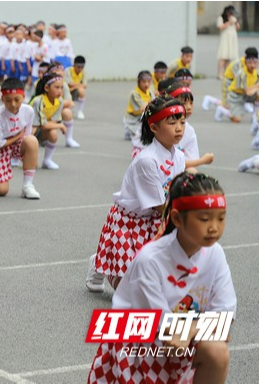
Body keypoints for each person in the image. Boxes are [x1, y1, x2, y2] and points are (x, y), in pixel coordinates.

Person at [88, 172, 236, 384]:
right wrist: (202, 326)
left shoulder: (216, 253)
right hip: (137, 345)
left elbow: (225, 318)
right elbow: (162, 327)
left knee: (217, 351)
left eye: (221, 218)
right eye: (204, 219)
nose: (214, 227)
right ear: (176, 218)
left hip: (182, 338)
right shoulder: (150, 259)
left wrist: (193, 329)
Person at [86, 96, 186, 293]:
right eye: (172, 122)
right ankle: (101, 260)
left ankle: (104, 258)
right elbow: (160, 205)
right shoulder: (146, 161)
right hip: (129, 224)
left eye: (182, 122)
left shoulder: (180, 156)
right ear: (154, 128)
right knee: (129, 294)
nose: (179, 128)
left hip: (156, 219)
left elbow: (175, 193)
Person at [0, 78, 41, 199]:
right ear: (2, 98)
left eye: (17, 99)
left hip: (17, 142)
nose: (13, 104)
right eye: (8, 100)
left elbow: (27, 135)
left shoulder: (28, 111)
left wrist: (29, 155)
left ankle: (27, 186)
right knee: (0, 190)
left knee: (32, 141)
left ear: (23, 96)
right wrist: (17, 136)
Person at [166, 83, 214, 169]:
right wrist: (203, 160)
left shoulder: (189, 130)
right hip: (158, 171)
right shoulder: (163, 126)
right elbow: (166, 163)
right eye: (184, 103)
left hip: (176, 169)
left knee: (192, 172)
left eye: (191, 103)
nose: (188, 107)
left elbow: (187, 161)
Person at [30, 73, 67, 169]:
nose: (60, 91)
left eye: (61, 88)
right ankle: (16, 154)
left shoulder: (59, 101)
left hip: (39, 128)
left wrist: (54, 125)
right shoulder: (39, 101)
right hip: (28, 129)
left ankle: (47, 160)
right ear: (47, 88)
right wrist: (61, 126)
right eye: (56, 87)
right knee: (31, 131)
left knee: (53, 133)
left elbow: (54, 121)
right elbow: (42, 125)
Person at [215, 51, 259, 123]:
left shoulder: (256, 72)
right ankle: (222, 109)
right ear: (246, 61)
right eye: (250, 62)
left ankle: (254, 117)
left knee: (257, 96)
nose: (253, 65)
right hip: (233, 91)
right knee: (234, 117)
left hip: (245, 92)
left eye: (255, 62)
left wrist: (255, 87)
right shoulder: (240, 70)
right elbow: (247, 91)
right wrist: (256, 86)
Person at [123, 71, 154, 141]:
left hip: (143, 117)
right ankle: (127, 129)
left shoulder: (150, 92)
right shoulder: (134, 93)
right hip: (133, 119)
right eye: (144, 82)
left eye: (149, 81)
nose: (146, 84)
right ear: (138, 82)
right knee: (139, 137)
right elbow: (143, 107)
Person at [217, 5, 240, 80]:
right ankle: (219, 73)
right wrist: (229, 22)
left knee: (228, 57)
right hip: (225, 38)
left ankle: (226, 74)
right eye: (230, 13)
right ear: (226, 12)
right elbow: (220, 27)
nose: (231, 14)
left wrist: (236, 22)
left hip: (232, 39)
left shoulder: (234, 18)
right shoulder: (221, 18)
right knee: (222, 56)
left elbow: (238, 28)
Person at [65, 55, 87, 120]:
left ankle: (80, 111)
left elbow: (85, 85)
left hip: (74, 90)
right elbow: (69, 84)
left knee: (82, 91)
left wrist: (75, 86)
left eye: (82, 67)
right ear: (74, 65)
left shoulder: (83, 72)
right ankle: (69, 110)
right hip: (67, 91)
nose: (80, 69)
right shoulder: (68, 71)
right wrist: (79, 84)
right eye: (78, 67)